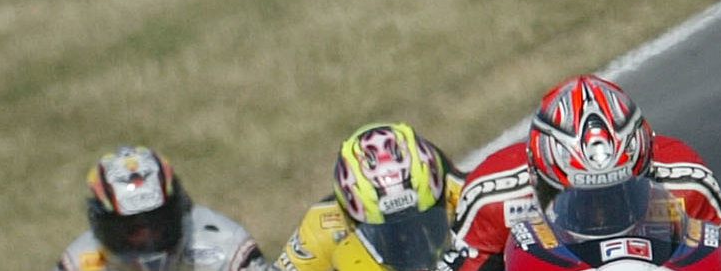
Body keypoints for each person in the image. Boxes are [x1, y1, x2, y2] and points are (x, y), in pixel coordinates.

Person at [449, 73, 721, 271]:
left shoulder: (687, 179)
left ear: (648, 170)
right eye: (577, 198)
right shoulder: (491, 196)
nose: (600, 213)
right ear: (537, 176)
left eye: (621, 194)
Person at [276, 123, 465, 271]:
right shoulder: (320, 231)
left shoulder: (464, 193)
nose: (407, 237)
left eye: (426, 219)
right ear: (350, 219)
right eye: (389, 230)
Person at [55, 145, 269, 271]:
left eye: (156, 224)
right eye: (133, 229)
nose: (147, 237)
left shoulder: (225, 246)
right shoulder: (79, 263)